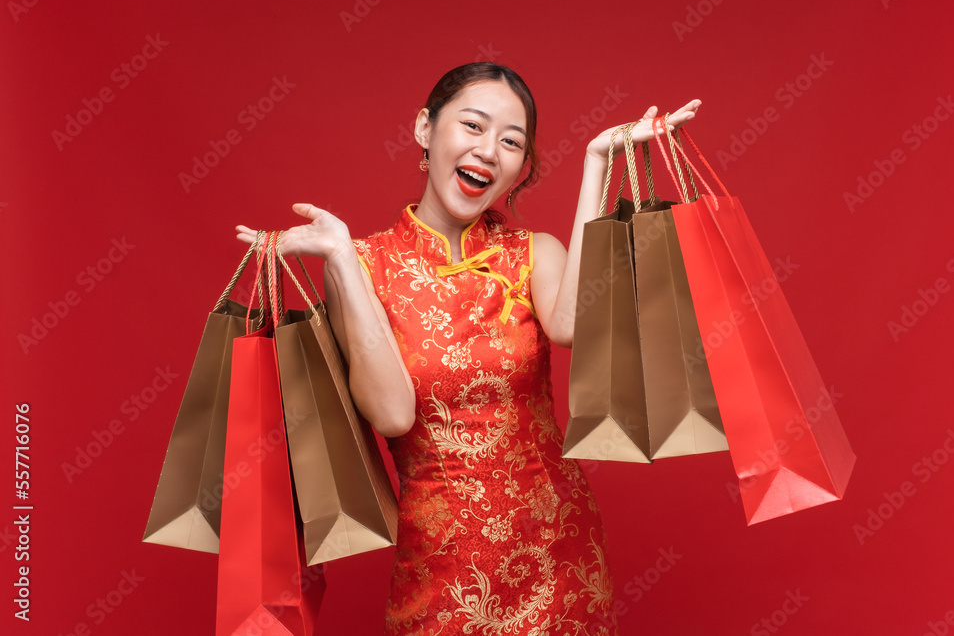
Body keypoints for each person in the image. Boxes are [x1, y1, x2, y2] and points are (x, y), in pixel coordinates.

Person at [237, 62, 699, 635]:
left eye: (511, 142)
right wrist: (341, 260)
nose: (489, 150)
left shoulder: (536, 252)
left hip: (559, 552)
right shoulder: (361, 266)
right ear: (425, 130)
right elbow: (392, 413)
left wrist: (597, 161)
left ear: (520, 169)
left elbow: (570, 326)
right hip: (443, 566)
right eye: (473, 127)